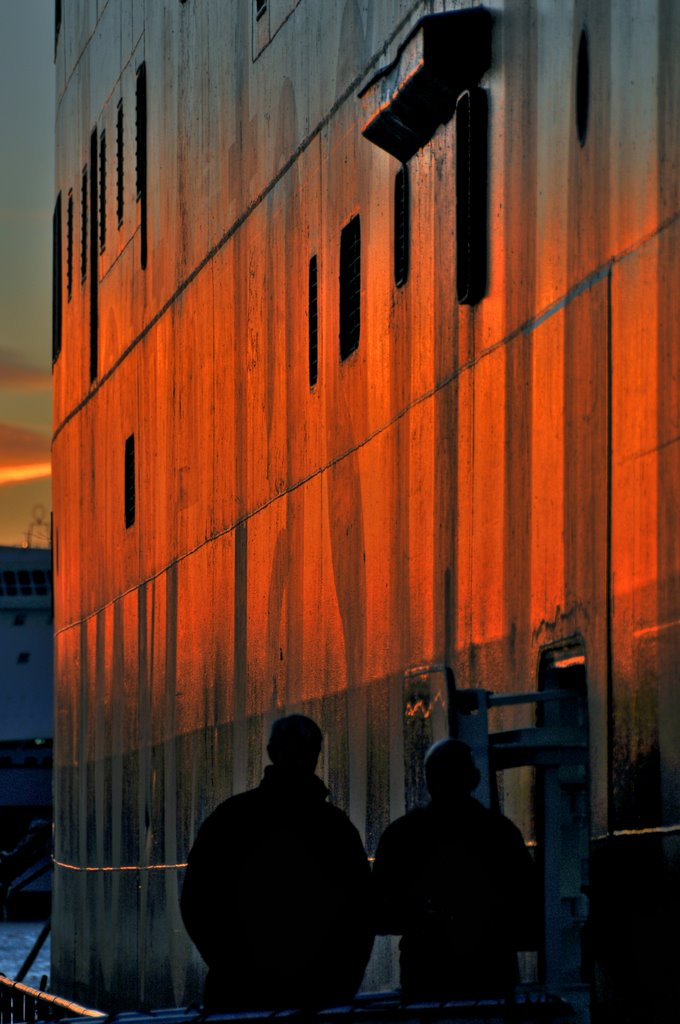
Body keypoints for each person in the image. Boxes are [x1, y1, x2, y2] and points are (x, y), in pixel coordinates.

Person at [180, 714, 374, 1012]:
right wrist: (340, 983)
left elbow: (197, 902)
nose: (301, 757)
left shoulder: (232, 818)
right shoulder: (334, 827)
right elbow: (360, 911)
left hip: (239, 994)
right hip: (317, 994)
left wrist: (232, 967)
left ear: (271, 752)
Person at [371, 738, 540, 1001]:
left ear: (427, 780)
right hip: (490, 976)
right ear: (474, 779)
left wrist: (419, 913)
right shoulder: (500, 834)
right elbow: (529, 909)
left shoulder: (403, 836)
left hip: (426, 977)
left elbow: (379, 912)